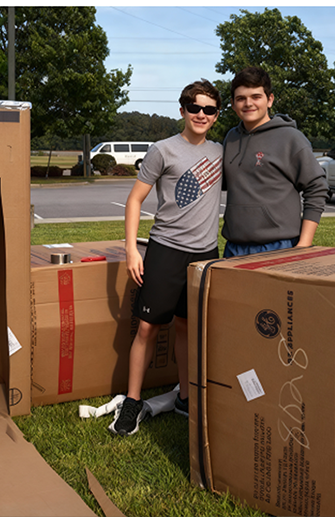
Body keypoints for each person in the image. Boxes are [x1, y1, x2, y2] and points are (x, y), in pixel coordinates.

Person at [114, 79, 223, 436]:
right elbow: (134, 201)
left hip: (205, 254)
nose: (201, 114)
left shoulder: (221, 152)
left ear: (216, 115)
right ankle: (131, 403)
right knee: (147, 327)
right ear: (182, 111)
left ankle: (185, 399)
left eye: (208, 109)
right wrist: (132, 249)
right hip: (165, 250)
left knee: (187, 327)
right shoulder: (163, 150)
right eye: (195, 107)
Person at [222, 66, 329, 257]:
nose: (248, 103)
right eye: (241, 98)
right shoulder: (231, 138)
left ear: (269, 100)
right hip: (234, 246)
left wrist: (304, 244)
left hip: (279, 246)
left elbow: (317, 187)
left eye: (256, 96)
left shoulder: (290, 138)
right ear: (232, 104)